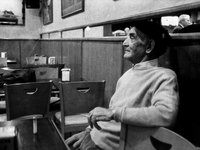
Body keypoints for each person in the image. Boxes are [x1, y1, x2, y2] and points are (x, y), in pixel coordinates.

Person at [65, 21, 179, 150]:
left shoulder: (165, 76)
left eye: (132, 37)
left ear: (149, 46)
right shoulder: (128, 74)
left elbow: (166, 115)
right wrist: (88, 131)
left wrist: (114, 113)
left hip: (108, 146)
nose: (124, 43)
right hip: (93, 138)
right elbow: (111, 113)